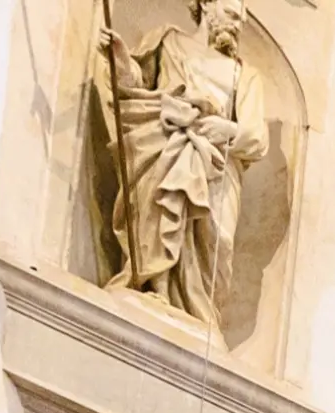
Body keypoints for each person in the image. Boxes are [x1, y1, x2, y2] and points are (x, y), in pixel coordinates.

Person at [100, 0, 266, 323]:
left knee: (216, 245)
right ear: (206, 4)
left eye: (243, 20)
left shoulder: (245, 75)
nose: (238, 24)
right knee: (163, 197)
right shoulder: (168, 42)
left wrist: (226, 129)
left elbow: (256, 137)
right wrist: (120, 60)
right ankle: (156, 287)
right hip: (165, 143)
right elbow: (136, 90)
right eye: (232, 14)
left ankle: (197, 310)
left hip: (217, 163)